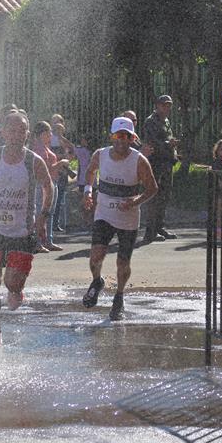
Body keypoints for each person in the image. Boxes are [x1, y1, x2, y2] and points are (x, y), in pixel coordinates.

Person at [0, 112, 54, 346]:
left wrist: (43, 216)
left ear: (27, 134)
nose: (18, 135)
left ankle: (16, 290)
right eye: (13, 130)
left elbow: (49, 187)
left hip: (21, 232)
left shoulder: (33, 161)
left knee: (12, 283)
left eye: (22, 130)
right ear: (3, 132)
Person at [82, 117, 158, 321]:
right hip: (104, 213)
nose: (121, 141)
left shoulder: (139, 160)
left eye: (126, 136)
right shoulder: (101, 155)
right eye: (118, 136)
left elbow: (152, 189)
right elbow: (90, 172)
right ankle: (97, 281)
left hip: (128, 218)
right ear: (111, 137)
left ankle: (119, 296)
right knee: (96, 256)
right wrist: (88, 192)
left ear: (132, 138)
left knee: (122, 261)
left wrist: (135, 201)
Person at [141, 95, 179, 242]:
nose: (167, 108)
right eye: (164, 105)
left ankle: (159, 226)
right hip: (156, 162)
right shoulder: (151, 121)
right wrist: (167, 144)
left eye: (169, 105)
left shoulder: (166, 121)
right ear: (157, 105)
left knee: (165, 196)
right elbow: (151, 141)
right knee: (154, 197)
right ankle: (150, 231)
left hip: (167, 162)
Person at [31, 121, 69, 251]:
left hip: (52, 183)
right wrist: (60, 163)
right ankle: (37, 242)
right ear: (41, 134)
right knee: (41, 212)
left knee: (49, 213)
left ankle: (48, 240)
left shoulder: (45, 147)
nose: (50, 135)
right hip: (43, 185)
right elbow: (44, 169)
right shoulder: (38, 148)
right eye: (48, 132)